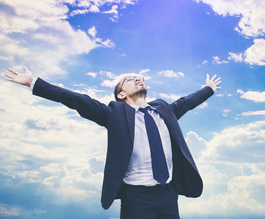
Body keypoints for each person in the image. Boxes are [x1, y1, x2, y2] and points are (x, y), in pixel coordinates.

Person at [3, 67, 221, 219]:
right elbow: (77, 99)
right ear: (121, 94)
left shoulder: (164, 109)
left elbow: (187, 102)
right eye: (130, 79)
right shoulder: (113, 114)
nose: (138, 79)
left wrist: (208, 89)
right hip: (136, 199)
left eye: (139, 77)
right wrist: (34, 83)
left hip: (168, 194)